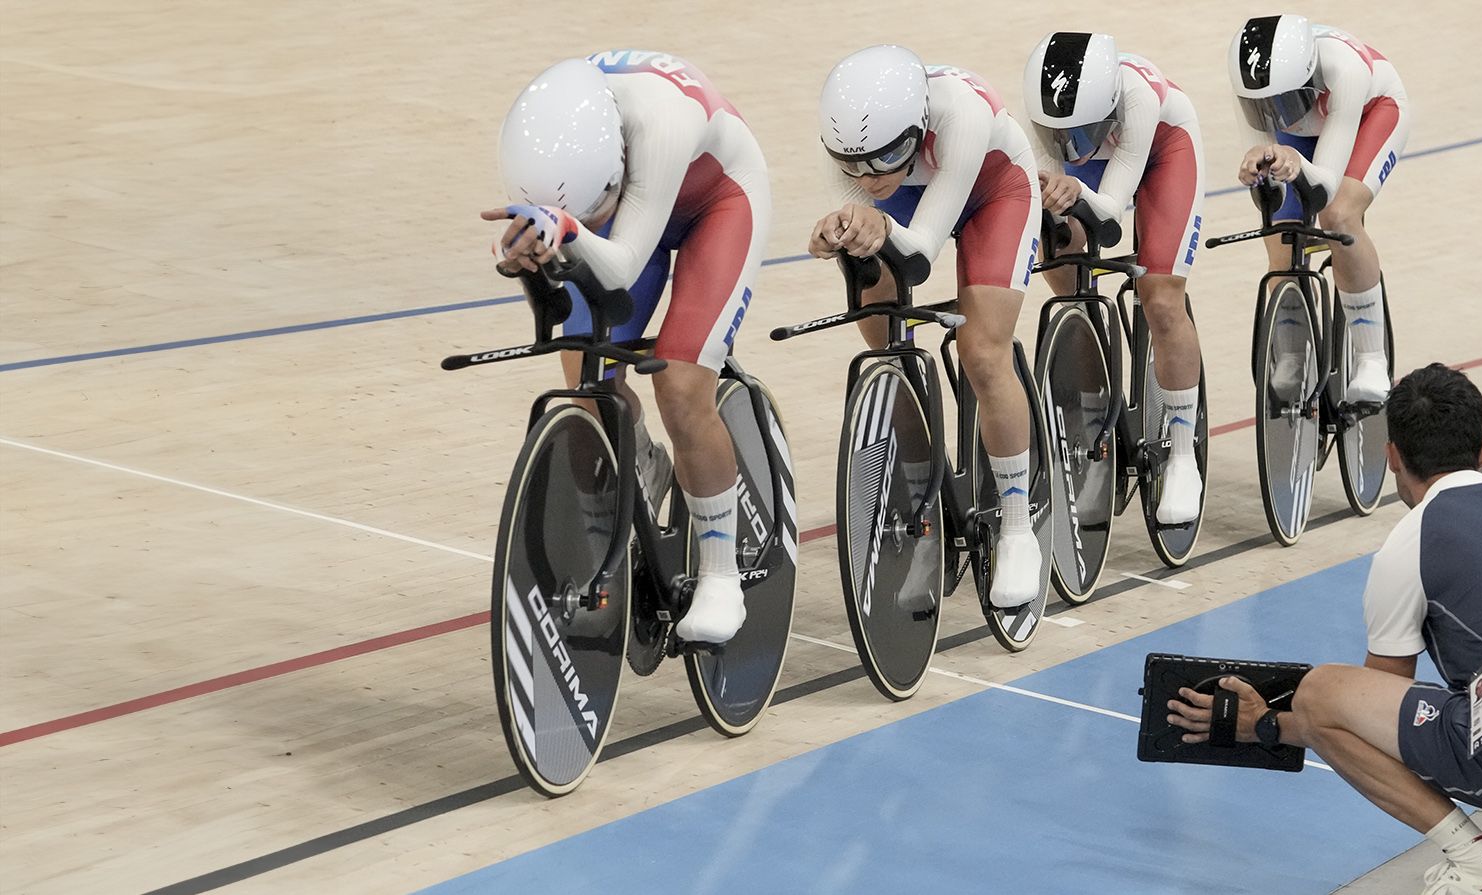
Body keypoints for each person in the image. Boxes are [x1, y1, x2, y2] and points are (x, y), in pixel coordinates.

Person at [1168, 364, 1482, 895]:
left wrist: (1269, 725)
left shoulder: (1412, 538)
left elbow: (1371, 716)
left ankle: (1478, 866)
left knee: (1323, 692)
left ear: (1392, 456)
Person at [486, 52, 771, 644]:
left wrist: (569, 232)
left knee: (682, 386)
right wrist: (526, 262)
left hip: (716, 204)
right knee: (588, 392)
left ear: (616, 165)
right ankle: (641, 461)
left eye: (595, 207)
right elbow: (569, 283)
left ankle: (722, 574)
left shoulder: (662, 121)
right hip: (617, 224)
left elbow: (618, 270)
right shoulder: (546, 139)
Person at [808, 45, 1044, 609]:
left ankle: (1017, 526)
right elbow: (863, 216)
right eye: (852, 164)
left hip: (994, 192)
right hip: (912, 203)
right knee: (888, 352)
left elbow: (916, 256)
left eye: (886, 157)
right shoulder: (853, 148)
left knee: (983, 352)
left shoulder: (961, 114)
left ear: (916, 130)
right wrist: (836, 231)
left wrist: (873, 220)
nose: (867, 174)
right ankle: (925, 508)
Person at [1022, 32, 1207, 524]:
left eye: (1081, 131)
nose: (1070, 144)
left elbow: (1109, 212)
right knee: (1057, 241)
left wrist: (1075, 187)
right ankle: (1089, 350)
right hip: (1104, 154)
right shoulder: (1043, 115)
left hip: (1162, 152)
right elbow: (1053, 203)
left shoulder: (1138, 97)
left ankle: (1184, 454)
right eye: (1061, 133)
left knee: (1160, 296)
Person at [1228, 15, 1411, 404]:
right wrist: (1258, 169)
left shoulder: (1345, 70)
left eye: (1282, 100)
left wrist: (1295, 159)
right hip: (1302, 130)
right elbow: (1264, 162)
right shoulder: (1249, 83)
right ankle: (1292, 352)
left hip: (1369, 114)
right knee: (1282, 235)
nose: (1273, 109)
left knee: (1339, 215)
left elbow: (1325, 186)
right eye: (1265, 104)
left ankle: (1371, 358)